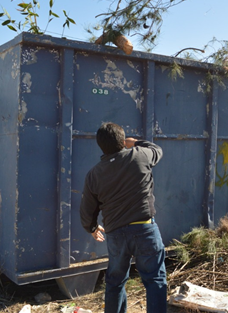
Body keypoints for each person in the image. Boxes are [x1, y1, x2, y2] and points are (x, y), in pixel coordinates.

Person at [80, 122, 167, 313]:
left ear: (100, 145)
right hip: (145, 230)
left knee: (115, 281)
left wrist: (92, 227)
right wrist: (135, 142)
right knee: (155, 281)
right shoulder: (139, 155)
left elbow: (87, 209)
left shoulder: (93, 174)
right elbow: (156, 150)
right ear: (122, 141)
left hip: (116, 234)